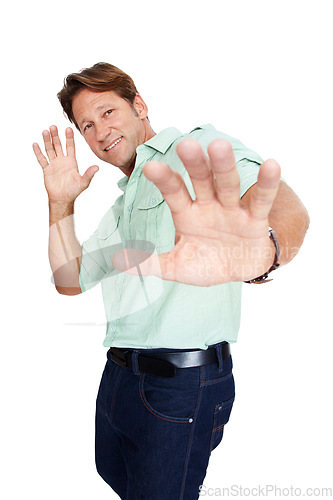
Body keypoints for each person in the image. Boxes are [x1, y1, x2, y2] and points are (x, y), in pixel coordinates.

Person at [33, 62, 309, 500]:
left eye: (107, 112)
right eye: (86, 124)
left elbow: (287, 208)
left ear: (139, 105)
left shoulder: (194, 148)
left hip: (180, 386)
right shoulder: (123, 204)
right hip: (121, 380)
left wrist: (260, 253)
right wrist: (60, 203)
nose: (99, 131)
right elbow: (70, 279)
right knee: (120, 482)